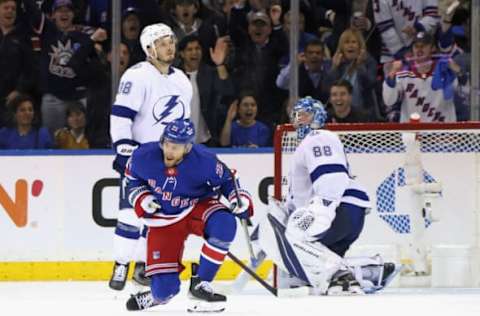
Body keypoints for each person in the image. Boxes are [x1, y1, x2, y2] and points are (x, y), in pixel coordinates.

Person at [253, 97, 400, 295]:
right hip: (345, 212)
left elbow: (331, 177)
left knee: (295, 234)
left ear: (318, 116)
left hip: (338, 210)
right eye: (295, 115)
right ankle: (371, 271)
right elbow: (298, 199)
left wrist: (323, 210)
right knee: (310, 270)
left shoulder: (318, 137)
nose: (298, 120)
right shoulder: (309, 144)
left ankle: (343, 276)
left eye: (304, 115)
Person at [124, 119, 253, 312]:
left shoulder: (205, 161)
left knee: (225, 223)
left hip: (196, 207)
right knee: (164, 291)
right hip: (163, 218)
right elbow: (132, 180)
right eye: (167, 143)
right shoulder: (143, 156)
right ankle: (155, 297)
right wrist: (143, 197)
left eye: (175, 147)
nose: (169, 150)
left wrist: (239, 197)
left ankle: (201, 284)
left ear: (188, 147)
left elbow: (228, 179)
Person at [109, 23, 192, 291]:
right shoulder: (137, 76)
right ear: (149, 49)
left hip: (170, 160)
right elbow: (121, 116)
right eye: (163, 43)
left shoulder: (181, 79)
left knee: (158, 218)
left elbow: (184, 122)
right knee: (130, 215)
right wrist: (123, 149)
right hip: (141, 156)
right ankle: (122, 262)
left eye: (171, 41)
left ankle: (144, 267)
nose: (170, 46)